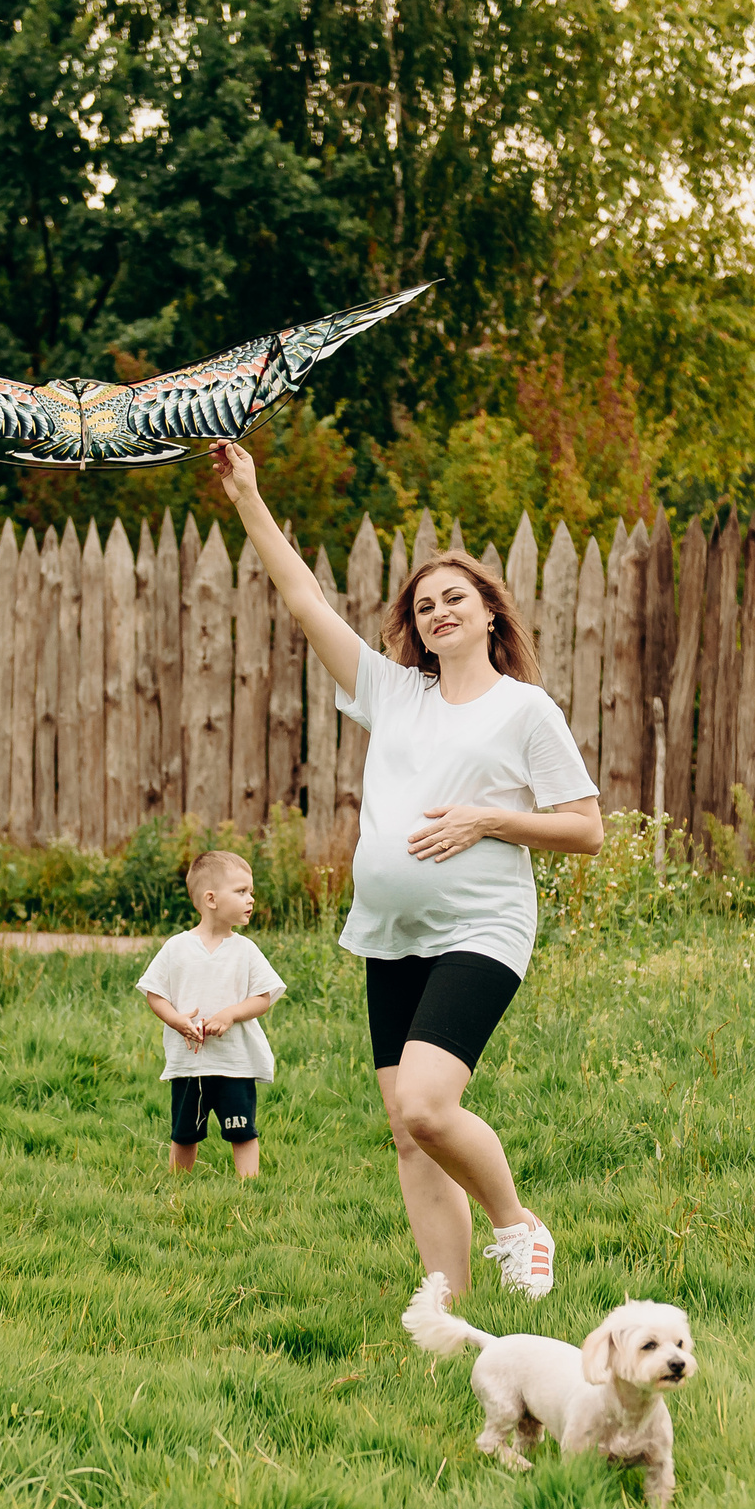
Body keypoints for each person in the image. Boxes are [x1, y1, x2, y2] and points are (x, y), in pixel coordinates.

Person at [210, 440, 602, 1303]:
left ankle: (518, 1225)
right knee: (405, 1132)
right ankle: (448, 1312)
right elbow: (304, 597)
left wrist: (489, 818)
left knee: (427, 1104)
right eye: (423, 605)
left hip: (481, 931)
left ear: (491, 612)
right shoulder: (392, 692)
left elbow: (587, 830)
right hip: (391, 936)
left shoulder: (523, 709)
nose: (437, 612)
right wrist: (245, 492)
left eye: (454, 597)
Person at [137, 850, 285, 1179]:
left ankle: (250, 1187)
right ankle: (179, 1185)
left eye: (251, 892)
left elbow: (264, 997)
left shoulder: (245, 951)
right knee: (184, 1132)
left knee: (242, 1131)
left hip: (236, 1063)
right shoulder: (177, 947)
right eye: (242, 891)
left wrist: (231, 1013)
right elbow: (154, 993)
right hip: (190, 1063)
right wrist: (175, 1020)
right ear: (211, 899)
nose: (251, 899)